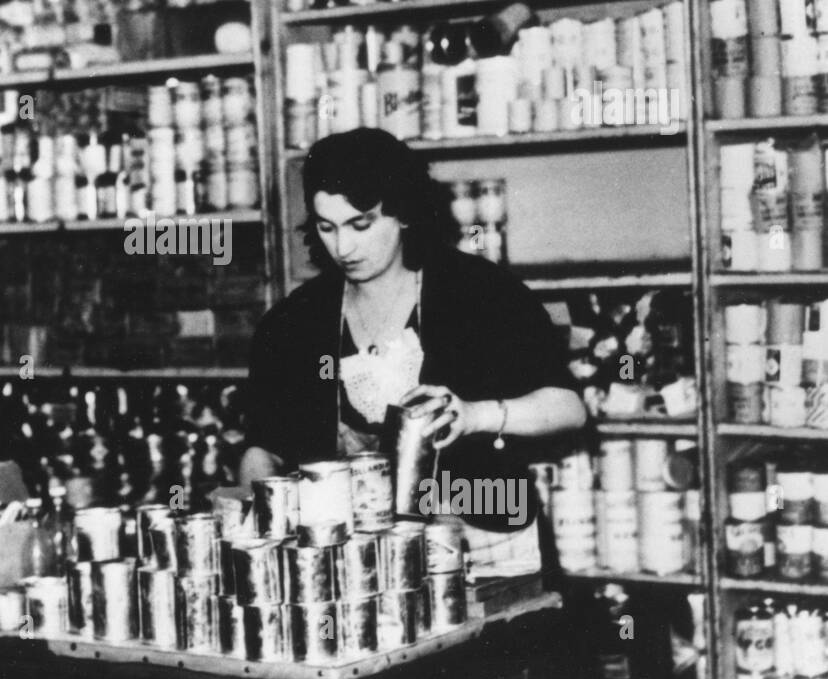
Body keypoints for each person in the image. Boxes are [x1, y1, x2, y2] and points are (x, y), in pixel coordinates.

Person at [240, 128, 587, 576]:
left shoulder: (480, 293)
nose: (343, 247)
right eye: (327, 227)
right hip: (353, 558)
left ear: (403, 213)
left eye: (361, 224)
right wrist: (268, 508)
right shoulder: (295, 323)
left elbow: (569, 408)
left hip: (483, 543)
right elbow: (262, 449)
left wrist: (476, 415)